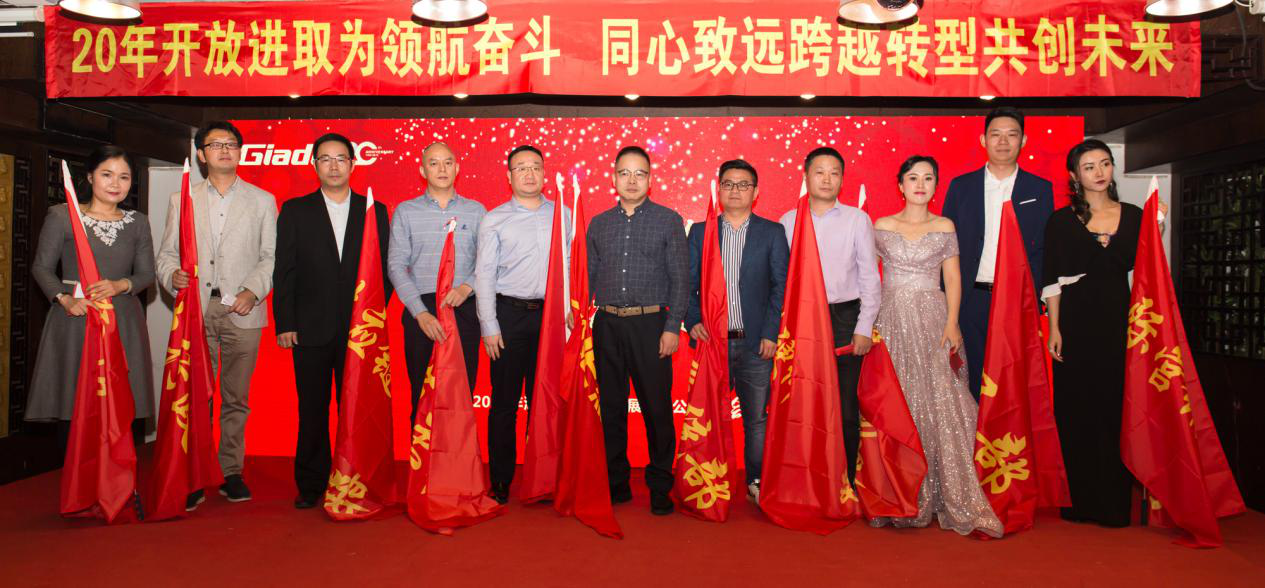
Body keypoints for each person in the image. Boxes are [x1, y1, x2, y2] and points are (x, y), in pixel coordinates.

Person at [870, 155, 1003, 537]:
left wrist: (952, 322)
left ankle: (946, 492)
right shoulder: (882, 225)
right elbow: (867, 274)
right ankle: (900, 492)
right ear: (900, 184)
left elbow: (953, 278)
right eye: (913, 178)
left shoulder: (944, 226)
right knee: (898, 399)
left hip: (933, 317)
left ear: (935, 185)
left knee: (940, 399)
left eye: (928, 178)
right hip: (891, 318)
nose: (920, 184)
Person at [156, 121, 276, 509]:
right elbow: (167, 254)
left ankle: (230, 472)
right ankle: (195, 473)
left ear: (240, 152)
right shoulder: (182, 198)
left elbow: (270, 256)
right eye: (216, 144)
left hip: (243, 309)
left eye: (231, 144)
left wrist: (252, 291)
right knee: (196, 396)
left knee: (236, 397)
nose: (225, 150)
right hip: (196, 309)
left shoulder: (262, 200)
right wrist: (171, 277)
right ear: (201, 154)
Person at [273, 133, 390, 509]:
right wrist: (285, 322)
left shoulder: (374, 210)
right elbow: (284, 270)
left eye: (341, 158)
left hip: (360, 331)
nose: (334, 166)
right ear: (315, 165)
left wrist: (371, 317)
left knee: (356, 408)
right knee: (312, 409)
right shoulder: (295, 210)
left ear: (353, 164)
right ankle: (312, 483)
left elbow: (384, 271)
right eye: (325, 159)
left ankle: (359, 476)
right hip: (309, 328)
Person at [1043, 139, 1146, 528]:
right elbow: (1052, 279)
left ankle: (1114, 505)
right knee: (1076, 410)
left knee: (1115, 407)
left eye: (1105, 163)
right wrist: (1054, 327)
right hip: (1075, 323)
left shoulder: (1134, 216)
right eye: (1089, 167)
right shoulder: (1060, 221)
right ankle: (1079, 502)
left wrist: (1157, 228)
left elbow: (1148, 271)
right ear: (1075, 176)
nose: (1099, 172)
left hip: (1120, 322)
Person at [28, 146, 155, 447]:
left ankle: (118, 475)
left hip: (122, 321)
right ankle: (76, 474)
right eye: (107, 175)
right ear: (89, 177)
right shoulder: (62, 215)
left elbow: (147, 274)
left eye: (124, 177)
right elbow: (41, 267)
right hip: (76, 318)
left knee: (121, 401)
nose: (115, 184)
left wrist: (120, 285)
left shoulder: (138, 222)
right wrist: (65, 299)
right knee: (74, 403)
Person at [587, 145, 688, 516]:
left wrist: (672, 326)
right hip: (607, 324)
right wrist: (575, 314)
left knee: (657, 409)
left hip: (651, 325)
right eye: (624, 173)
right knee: (611, 408)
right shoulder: (598, 224)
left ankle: (660, 486)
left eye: (639, 173)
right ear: (614, 177)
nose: (631, 180)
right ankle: (616, 484)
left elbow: (681, 278)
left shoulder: (668, 220)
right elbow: (588, 276)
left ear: (650, 178)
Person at [684, 159, 788, 502]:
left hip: (755, 344)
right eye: (728, 183)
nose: (735, 190)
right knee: (711, 416)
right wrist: (692, 319)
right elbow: (687, 283)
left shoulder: (772, 233)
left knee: (756, 419)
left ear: (755, 192)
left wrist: (771, 333)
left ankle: (755, 480)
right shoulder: (701, 232)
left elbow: (781, 287)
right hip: (712, 343)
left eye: (744, 185)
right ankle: (710, 480)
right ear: (719, 189)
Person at [474, 144, 569, 504]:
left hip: (550, 319)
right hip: (508, 316)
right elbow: (484, 275)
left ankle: (541, 479)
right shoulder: (494, 219)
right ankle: (500, 480)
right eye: (521, 168)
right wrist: (489, 325)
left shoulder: (563, 214)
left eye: (536, 167)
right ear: (509, 176)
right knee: (504, 403)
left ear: (545, 173)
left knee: (545, 403)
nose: (530, 174)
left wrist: (569, 318)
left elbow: (571, 269)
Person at [779, 146, 880, 483]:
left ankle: (845, 481)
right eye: (819, 172)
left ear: (842, 179)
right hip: (801, 319)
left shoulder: (857, 219)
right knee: (804, 403)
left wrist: (864, 327)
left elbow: (870, 277)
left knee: (846, 406)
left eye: (834, 172)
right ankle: (807, 478)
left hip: (844, 319)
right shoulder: (788, 221)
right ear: (806, 176)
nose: (826, 179)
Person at [941, 106, 1054, 399]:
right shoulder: (961, 187)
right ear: (983, 140)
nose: (1003, 142)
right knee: (971, 378)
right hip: (972, 299)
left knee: (1014, 381)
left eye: (1011, 135)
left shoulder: (1040, 189)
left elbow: (1044, 249)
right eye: (995, 135)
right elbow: (946, 248)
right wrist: (947, 305)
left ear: (1023, 141)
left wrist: (1035, 298)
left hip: (1018, 299)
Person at [388, 142, 485, 420]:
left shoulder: (476, 211)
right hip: (423, 309)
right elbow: (396, 265)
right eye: (433, 163)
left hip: (464, 308)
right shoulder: (406, 211)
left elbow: (488, 261)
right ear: (422, 170)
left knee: (461, 394)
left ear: (457, 168)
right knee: (422, 394)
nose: (442, 169)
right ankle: (421, 450)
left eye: (448, 162)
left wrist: (467, 286)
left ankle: (458, 450)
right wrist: (420, 313)